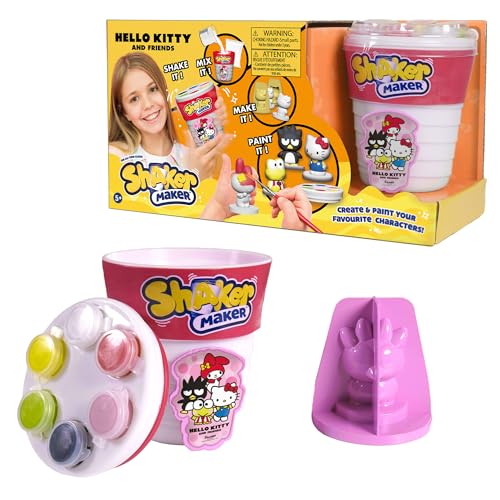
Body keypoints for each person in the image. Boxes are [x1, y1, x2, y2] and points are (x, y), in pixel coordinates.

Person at [108, 52, 230, 182]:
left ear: (165, 92)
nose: (148, 104)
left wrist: (215, 140)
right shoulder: (116, 156)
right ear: (124, 112)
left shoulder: (191, 156)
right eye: (134, 99)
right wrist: (193, 176)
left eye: (153, 89)